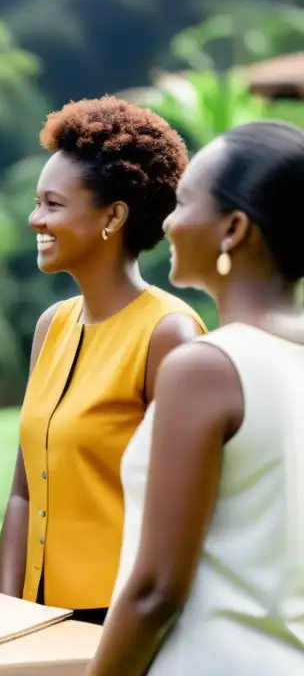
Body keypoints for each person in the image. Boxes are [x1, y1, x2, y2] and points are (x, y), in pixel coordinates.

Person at [88, 121, 304, 674]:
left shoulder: (207, 368)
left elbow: (157, 589)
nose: (168, 222)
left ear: (232, 229)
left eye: (184, 202)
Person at [0, 96, 205, 626]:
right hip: (36, 614)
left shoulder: (169, 335)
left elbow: (187, 519)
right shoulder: (53, 326)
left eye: (52, 204)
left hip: (122, 620)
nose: (34, 218)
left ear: (113, 216)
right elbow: (24, 493)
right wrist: (4, 614)